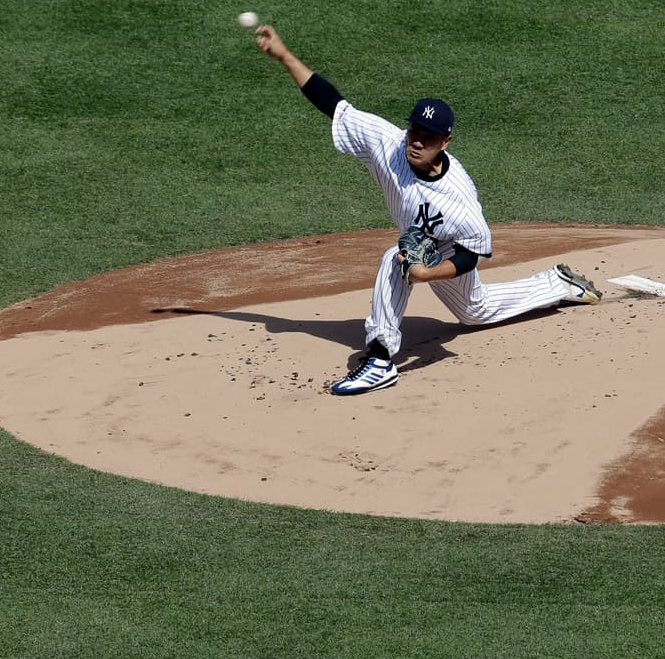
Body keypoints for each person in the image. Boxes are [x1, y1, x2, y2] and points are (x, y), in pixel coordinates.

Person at [254, 24, 603, 395]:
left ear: (445, 142)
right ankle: (556, 283)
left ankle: (380, 360)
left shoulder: (458, 199)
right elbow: (334, 104)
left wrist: (428, 273)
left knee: (402, 261)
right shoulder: (387, 144)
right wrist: (284, 55)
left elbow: (470, 255)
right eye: (414, 131)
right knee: (472, 309)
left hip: (450, 250)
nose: (417, 142)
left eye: (428, 137)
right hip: (422, 242)